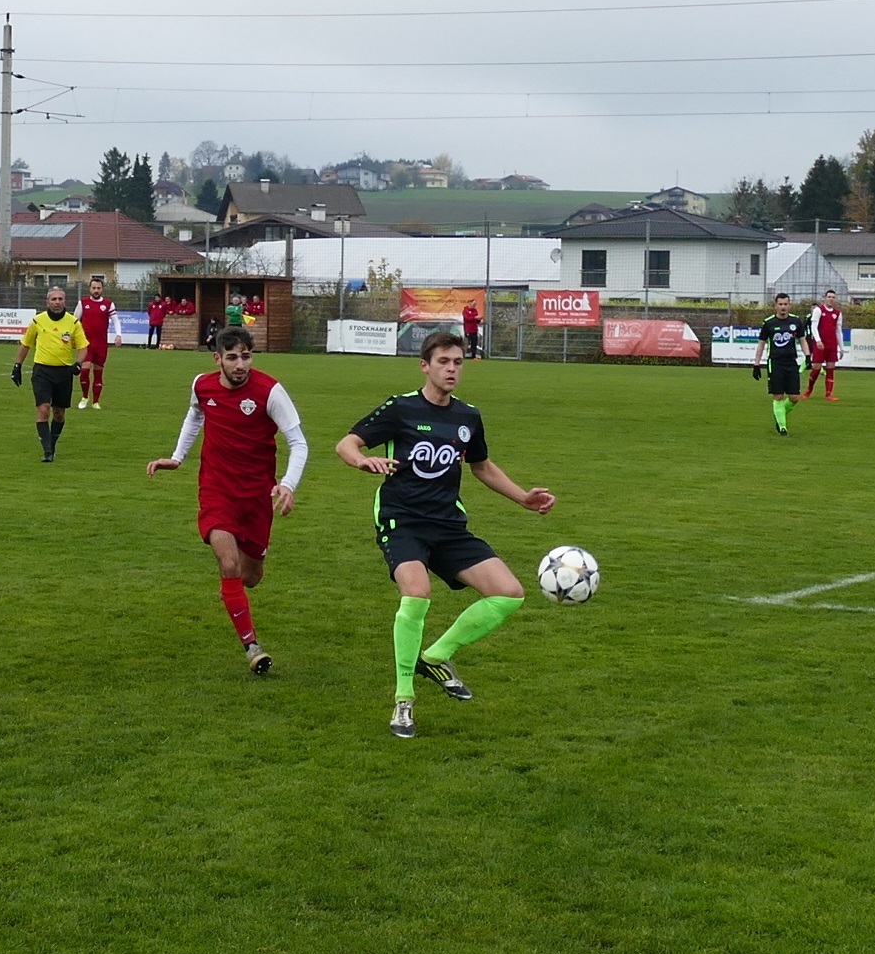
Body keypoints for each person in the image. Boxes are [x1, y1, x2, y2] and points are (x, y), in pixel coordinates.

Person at [336, 331, 555, 739]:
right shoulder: (400, 408)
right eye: (443, 362)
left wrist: (523, 498)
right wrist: (361, 461)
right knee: (416, 593)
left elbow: (482, 466)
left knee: (509, 593)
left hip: (448, 525)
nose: (452, 369)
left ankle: (436, 656)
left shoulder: (468, 416)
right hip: (402, 521)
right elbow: (346, 443)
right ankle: (404, 700)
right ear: (425, 366)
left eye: (457, 362)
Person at [145, 325, 308, 675]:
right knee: (229, 563)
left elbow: (299, 443)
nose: (240, 365)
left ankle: (232, 589)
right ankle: (252, 647)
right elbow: (194, 416)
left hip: (257, 496)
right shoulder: (202, 386)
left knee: (251, 576)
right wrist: (177, 457)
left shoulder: (270, 391)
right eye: (232, 357)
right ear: (217, 359)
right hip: (216, 491)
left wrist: (288, 484)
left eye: (246, 357)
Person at [11, 287, 89, 463]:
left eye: (60, 299)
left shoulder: (73, 322)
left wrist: (78, 363)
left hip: (64, 373)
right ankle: (47, 451)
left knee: (59, 414)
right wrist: (17, 366)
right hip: (42, 371)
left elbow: (83, 347)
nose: (57, 302)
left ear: (65, 301)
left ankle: (52, 445)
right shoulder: (38, 321)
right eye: (53, 299)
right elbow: (26, 344)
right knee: (44, 409)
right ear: (47, 302)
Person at [752, 293, 810, 435]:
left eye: (785, 304)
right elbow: (761, 344)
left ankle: (779, 414)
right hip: (775, 363)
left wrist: (808, 356)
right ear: (776, 305)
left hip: (791, 362)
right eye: (780, 304)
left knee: (794, 397)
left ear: (789, 305)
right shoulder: (769, 323)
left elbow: (802, 340)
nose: (783, 307)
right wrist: (756, 364)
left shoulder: (795, 321)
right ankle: (782, 427)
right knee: (778, 396)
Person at [75, 276, 124, 410]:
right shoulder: (83, 303)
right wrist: (74, 338)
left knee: (98, 373)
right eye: (94, 288)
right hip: (86, 345)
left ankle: (96, 402)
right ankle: (85, 397)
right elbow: (75, 321)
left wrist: (118, 335)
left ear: (102, 289)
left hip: (101, 345)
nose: (96, 290)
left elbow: (116, 321)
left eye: (98, 288)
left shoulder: (108, 304)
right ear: (89, 289)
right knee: (84, 371)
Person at [805, 289, 843, 400]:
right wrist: (818, 340)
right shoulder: (818, 310)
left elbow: (838, 331)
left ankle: (828, 394)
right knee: (816, 368)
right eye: (829, 297)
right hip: (820, 344)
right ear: (825, 298)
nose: (831, 299)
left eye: (833, 297)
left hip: (832, 344)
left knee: (830, 368)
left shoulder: (838, 313)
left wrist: (841, 348)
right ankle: (809, 390)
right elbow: (814, 327)